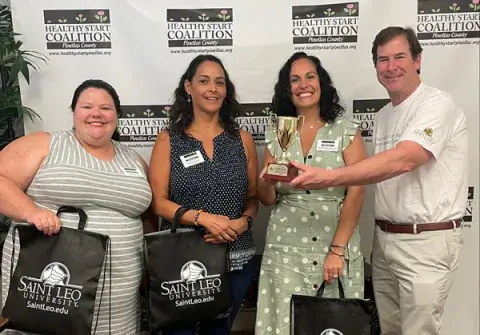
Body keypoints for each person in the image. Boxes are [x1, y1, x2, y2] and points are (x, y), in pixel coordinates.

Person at [288, 27, 468, 335]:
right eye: (383, 60)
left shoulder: (437, 104)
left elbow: (405, 159)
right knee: (390, 330)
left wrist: (329, 177)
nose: (391, 66)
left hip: (425, 241)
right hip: (385, 241)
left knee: (418, 331)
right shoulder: (385, 114)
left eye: (400, 57)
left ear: (418, 61)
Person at [0, 79, 155, 334]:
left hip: (117, 297)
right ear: (74, 112)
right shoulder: (45, 143)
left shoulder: (134, 159)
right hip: (50, 288)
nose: (96, 113)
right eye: (87, 106)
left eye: (106, 108)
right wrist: (33, 212)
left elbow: (147, 215)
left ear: (117, 115)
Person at [254, 52, 367, 335]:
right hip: (285, 248)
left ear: (321, 83)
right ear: (287, 90)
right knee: (284, 325)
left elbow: (356, 192)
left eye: (310, 76)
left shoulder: (345, 131)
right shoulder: (278, 132)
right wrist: (266, 182)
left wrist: (337, 251)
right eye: (294, 80)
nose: (303, 84)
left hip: (334, 244)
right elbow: (267, 200)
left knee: (332, 326)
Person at [148, 54, 259, 335]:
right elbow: (157, 202)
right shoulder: (169, 139)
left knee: (218, 331)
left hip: (235, 257)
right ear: (188, 87)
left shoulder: (242, 139)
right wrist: (202, 219)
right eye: (204, 81)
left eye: (219, 82)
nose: (213, 88)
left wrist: (243, 222)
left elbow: (252, 197)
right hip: (182, 259)